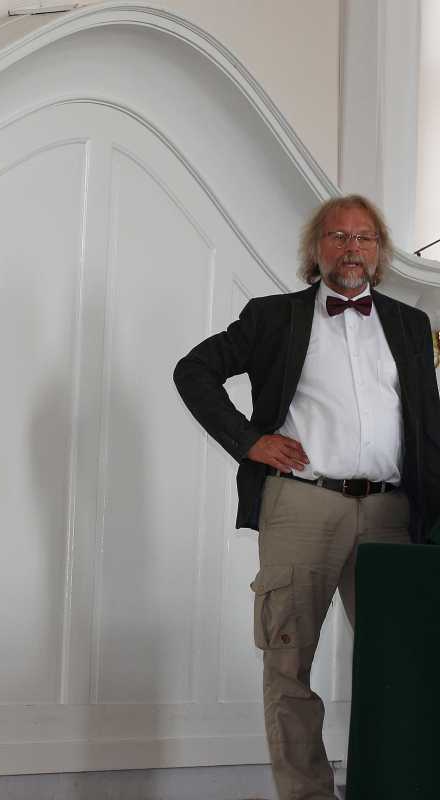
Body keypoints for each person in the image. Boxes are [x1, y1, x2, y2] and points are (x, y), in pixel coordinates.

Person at [173, 195, 440, 800]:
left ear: (379, 251)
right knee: (289, 661)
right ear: (316, 249)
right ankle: (307, 795)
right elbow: (194, 370)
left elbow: (427, 422)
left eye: (364, 238)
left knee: (405, 662)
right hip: (301, 506)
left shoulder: (408, 324)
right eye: (338, 237)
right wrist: (250, 442)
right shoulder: (274, 317)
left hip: (391, 513)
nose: (351, 248)